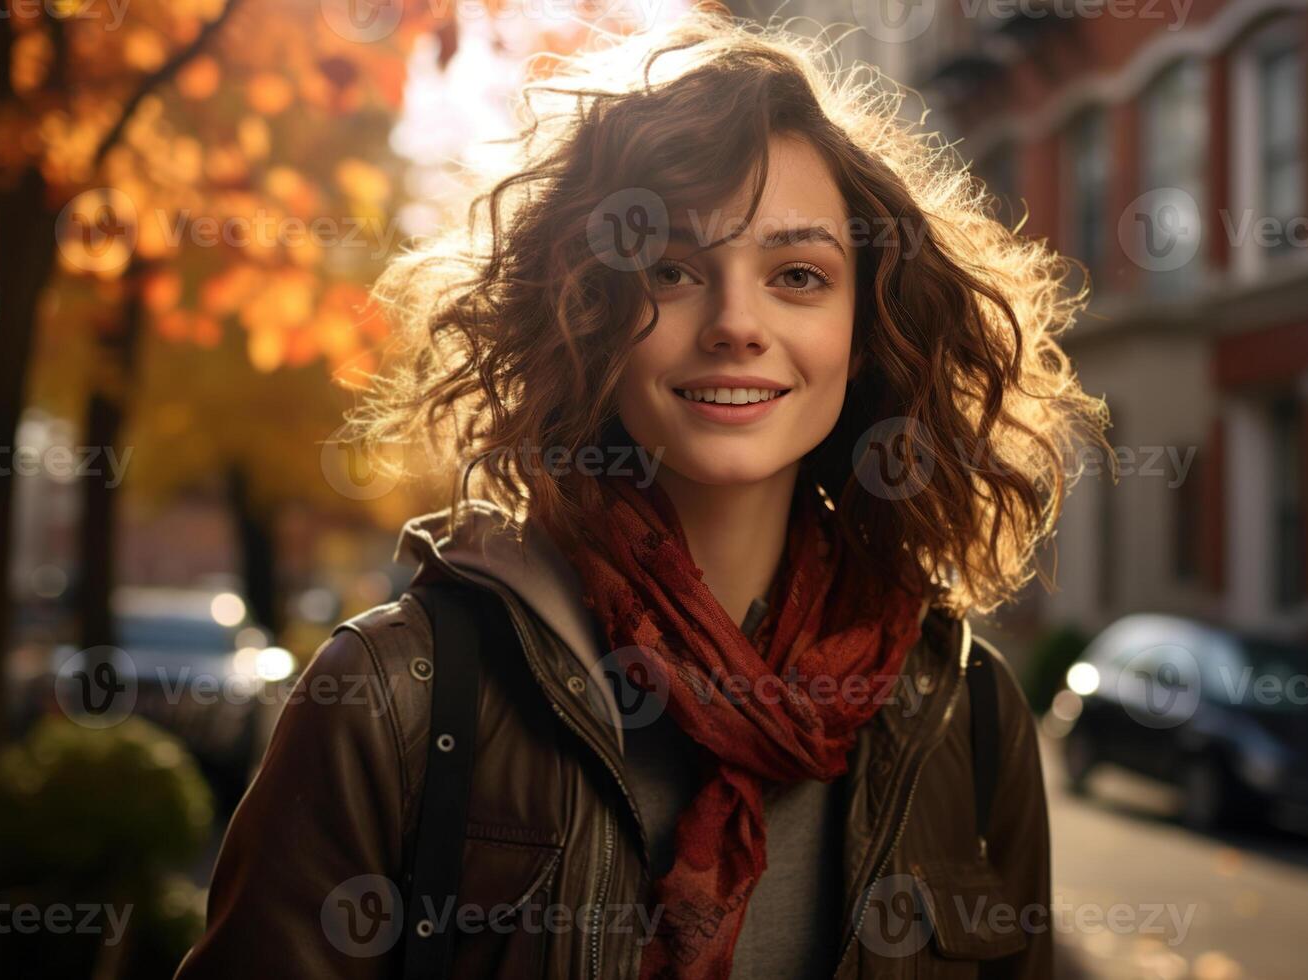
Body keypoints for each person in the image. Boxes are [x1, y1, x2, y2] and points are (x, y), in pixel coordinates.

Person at [174, 6, 1107, 979]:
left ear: (865, 331)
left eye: (797, 274)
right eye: (670, 269)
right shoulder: (393, 695)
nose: (737, 323)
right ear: (589, 315)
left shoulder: (971, 714)